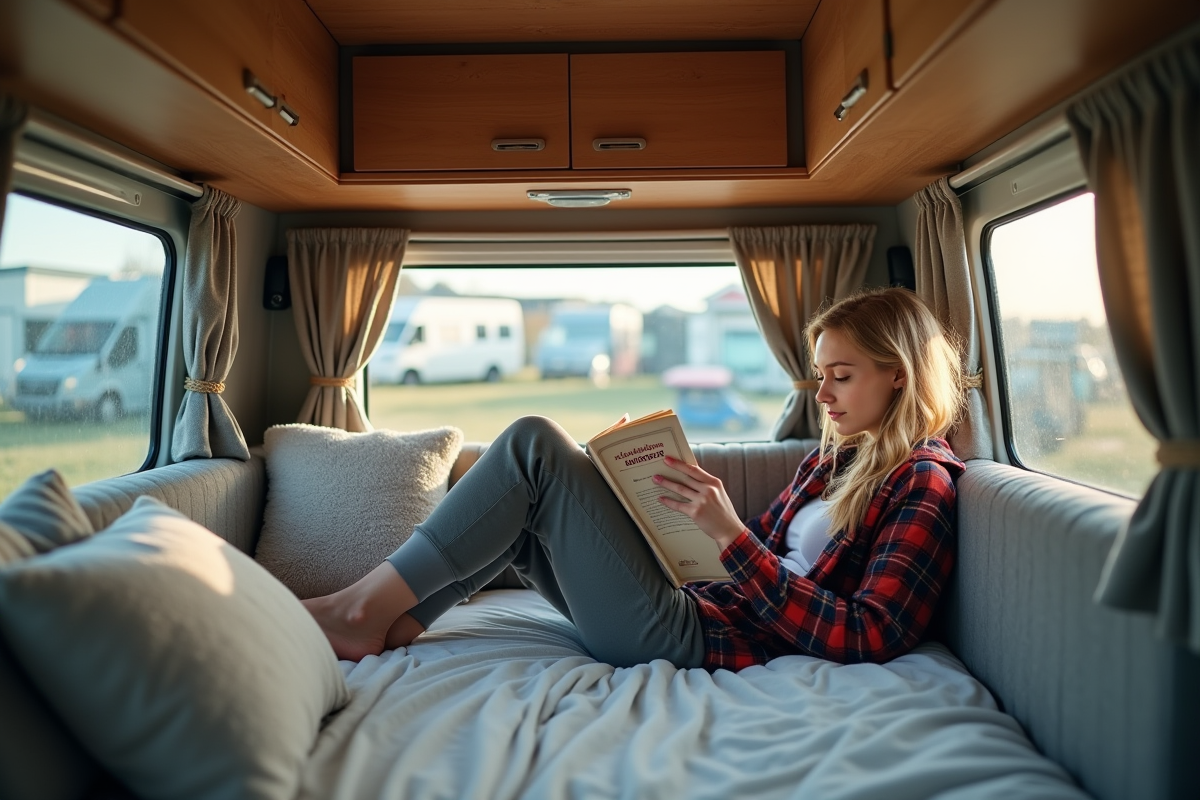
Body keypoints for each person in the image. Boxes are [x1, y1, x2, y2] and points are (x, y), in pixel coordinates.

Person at [303, 287, 972, 671]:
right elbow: (740, 559)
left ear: (900, 375)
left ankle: (361, 608)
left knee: (534, 443)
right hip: (697, 603)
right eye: (820, 375)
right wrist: (636, 494)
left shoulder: (924, 484)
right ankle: (401, 617)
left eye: (841, 376)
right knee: (543, 487)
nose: (822, 394)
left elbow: (868, 634)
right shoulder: (834, 460)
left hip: (698, 637)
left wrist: (730, 536)